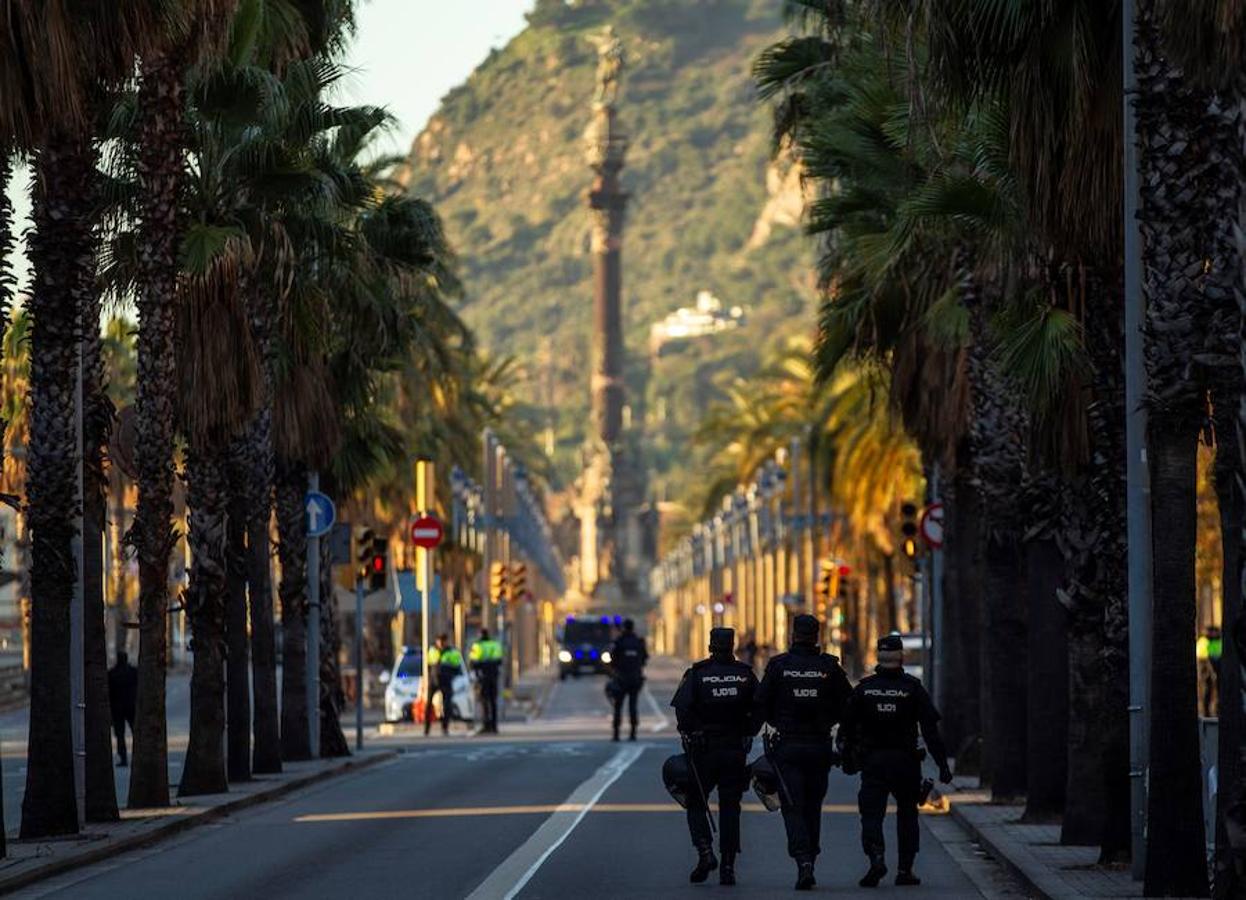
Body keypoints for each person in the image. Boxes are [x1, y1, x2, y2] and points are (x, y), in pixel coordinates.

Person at [839, 633, 952, 888]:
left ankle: (876, 857)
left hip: (873, 762)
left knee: (871, 814)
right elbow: (931, 731)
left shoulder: (864, 690)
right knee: (907, 815)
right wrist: (943, 765)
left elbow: (846, 728)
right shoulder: (912, 688)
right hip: (906, 762)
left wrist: (847, 757)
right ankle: (905, 869)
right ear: (901, 657)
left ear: (878, 657)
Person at [755, 613, 854, 890]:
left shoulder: (779, 666)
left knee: (792, 805)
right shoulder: (829, 667)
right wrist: (843, 738)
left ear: (792, 635)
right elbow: (848, 705)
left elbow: (761, 703)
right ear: (817, 636)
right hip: (820, 746)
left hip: (788, 746)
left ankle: (803, 860)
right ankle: (810, 855)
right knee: (813, 805)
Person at [670, 627, 761, 886]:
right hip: (734, 750)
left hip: (704, 750)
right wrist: (747, 731)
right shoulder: (744, 675)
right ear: (732, 646)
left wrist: (691, 731)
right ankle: (728, 867)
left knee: (696, 802)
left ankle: (705, 852)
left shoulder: (697, 674)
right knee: (731, 808)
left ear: (711, 645)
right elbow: (760, 707)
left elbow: (682, 710)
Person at [608, 618, 648, 741]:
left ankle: (616, 734)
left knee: (618, 706)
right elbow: (644, 659)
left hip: (621, 679)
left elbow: (612, 660)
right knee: (633, 705)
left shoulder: (619, 642)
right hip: (635, 678)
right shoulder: (639, 642)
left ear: (624, 628)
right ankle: (633, 733)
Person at [424, 634, 462, 736]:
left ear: (446, 642)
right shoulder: (432, 651)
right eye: (439, 641)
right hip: (434, 681)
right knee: (428, 705)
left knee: (447, 705)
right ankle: (426, 728)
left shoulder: (452, 652)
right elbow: (428, 666)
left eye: (442, 641)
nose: (440, 643)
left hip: (446, 680)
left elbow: (457, 668)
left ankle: (445, 727)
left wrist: (449, 674)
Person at [470, 628, 504, 734]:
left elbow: (473, 662)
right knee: (493, 701)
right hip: (493, 676)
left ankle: (486, 724)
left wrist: (476, 671)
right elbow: (499, 661)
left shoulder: (477, 646)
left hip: (482, 677)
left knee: (484, 701)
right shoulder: (495, 645)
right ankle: (494, 726)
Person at [108, 651, 138, 767]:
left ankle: (123, 758)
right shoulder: (133, 672)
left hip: (117, 709)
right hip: (132, 707)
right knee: (137, 732)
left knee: (120, 735)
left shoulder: (112, 674)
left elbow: (109, 694)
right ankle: (137, 756)